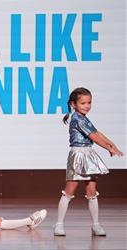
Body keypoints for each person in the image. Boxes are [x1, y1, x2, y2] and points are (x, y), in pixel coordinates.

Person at [54, 87, 123, 236]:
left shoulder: (84, 118)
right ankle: (59, 224)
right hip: (77, 155)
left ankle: (96, 225)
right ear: (73, 104)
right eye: (83, 103)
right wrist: (108, 148)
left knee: (91, 191)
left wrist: (112, 145)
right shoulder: (77, 119)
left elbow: (97, 132)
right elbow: (94, 137)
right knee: (69, 190)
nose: (87, 106)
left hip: (88, 155)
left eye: (89, 102)